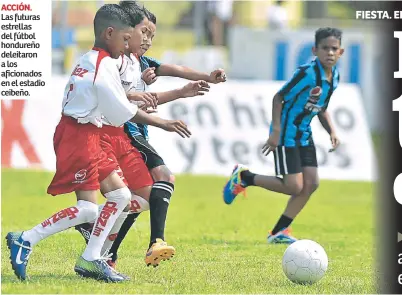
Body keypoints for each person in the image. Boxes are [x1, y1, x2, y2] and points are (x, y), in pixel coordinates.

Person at [6, 4, 191, 283]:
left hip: (85, 134)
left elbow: (117, 96)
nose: (129, 45)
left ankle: (92, 258)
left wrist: (138, 96)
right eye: (126, 39)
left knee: (121, 197)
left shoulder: (95, 59)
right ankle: (26, 239)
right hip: (78, 137)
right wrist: (163, 122)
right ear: (109, 34)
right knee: (89, 209)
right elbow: (119, 111)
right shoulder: (102, 65)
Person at [74, 1, 210, 269]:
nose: (147, 39)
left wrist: (200, 81)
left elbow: (171, 73)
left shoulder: (138, 62)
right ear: (127, 31)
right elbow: (118, 101)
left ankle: (106, 252)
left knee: (138, 198)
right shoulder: (116, 61)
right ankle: (153, 241)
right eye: (143, 32)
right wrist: (161, 118)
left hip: (130, 130)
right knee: (161, 179)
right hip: (122, 132)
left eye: (151, 35)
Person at [223, 27, 343, 244]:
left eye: (334, 48)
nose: (330, 53)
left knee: (312, 184)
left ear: (341, 52)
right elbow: (279, 98)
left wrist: (332, 131)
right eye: (325, 48)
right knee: (294, 186)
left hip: (304, 135)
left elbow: (321, 108)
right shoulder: (307, 73)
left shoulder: (334, 77)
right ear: (315, 50)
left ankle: (279, 231)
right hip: (286, 133)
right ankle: (244, 177)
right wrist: (276, 131)